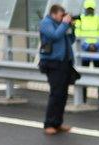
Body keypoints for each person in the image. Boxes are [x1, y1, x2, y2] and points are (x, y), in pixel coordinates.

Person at [38, 4, 75, 135]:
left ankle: (58, 123)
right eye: (61, 15)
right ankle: (49, 123)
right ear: (54, 14)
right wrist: (64, 24)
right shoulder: (46, 23)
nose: (63, 17)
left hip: (64, 63)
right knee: (56, 94)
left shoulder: (61, 25)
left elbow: (70, 41)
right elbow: (54, 36)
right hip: (52, 63)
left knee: (63, 95)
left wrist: (71, 27)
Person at [72, 0, 99, 105]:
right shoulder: (82, 20)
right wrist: (90, 46)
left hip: (91, 52)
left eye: (90, 8)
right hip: (90, 52)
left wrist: (92, 46)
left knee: (98, 76)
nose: (89, 10)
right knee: (86, 76)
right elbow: (77, 34)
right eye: (88, 8)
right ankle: (85, 98)